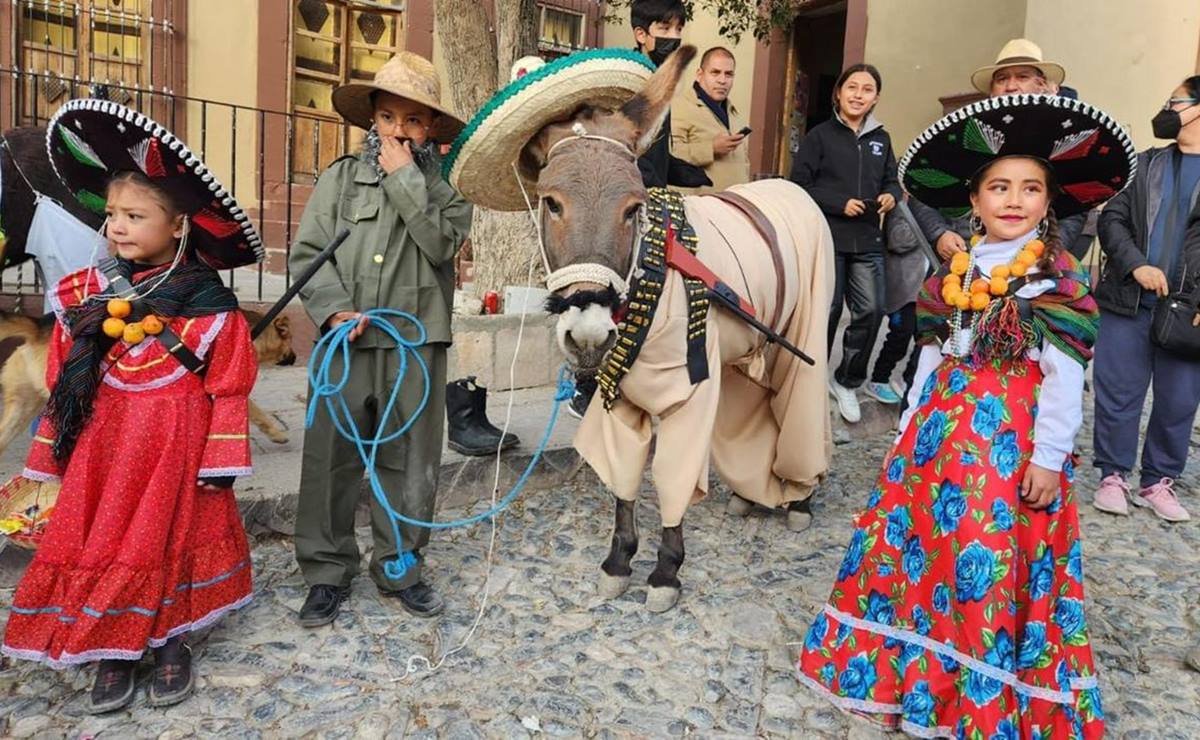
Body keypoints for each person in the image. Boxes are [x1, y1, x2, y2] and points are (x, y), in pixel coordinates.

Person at [796, 94, 1134, 738]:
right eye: (999, 187)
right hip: (938, 445)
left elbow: (1065, 378)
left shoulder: (1054, 278)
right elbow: (928, 358)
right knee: (921, 551)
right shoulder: (954, 272)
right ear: (973, 201)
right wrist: (906, 429)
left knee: (986, 559)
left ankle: (980, 687)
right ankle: (906, 674)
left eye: (1030, 189)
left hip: (1009, 451)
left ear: (1048, 201)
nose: (1014, 200)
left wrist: (1048, 456)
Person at [2, 99, 263, 712]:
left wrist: (221, 455)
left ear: (177, 227)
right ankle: (112, 649)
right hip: (106, 448)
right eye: (113, 213)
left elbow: (228, 382)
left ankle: (172, 643)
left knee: (172, 540)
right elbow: (66, 378)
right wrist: (50, 456)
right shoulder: (85, 295)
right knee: (111, 543)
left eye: (135, 215)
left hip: (177, 449)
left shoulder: (209, 305)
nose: (117, 225)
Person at [290, 51, 473, 627]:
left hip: (414, 344)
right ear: (372, 118)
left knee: (408, 458)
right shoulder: (340, 178)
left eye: (414, 120)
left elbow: (443, 246)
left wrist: (407, 183)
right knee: (330, 459)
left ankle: (399, 566)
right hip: (345, 342)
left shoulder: (448, 189)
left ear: (430, 130)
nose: (399, 130)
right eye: (390, 116)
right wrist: (332, 310)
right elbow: (308, 255)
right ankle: (326, 572)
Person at [569, 0, 710, 419]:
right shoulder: (622, 84)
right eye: (664, 27)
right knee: (602, 289)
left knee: (640, 295)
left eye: (679, 27)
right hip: (617, 208)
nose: (673, 35)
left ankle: (630, 373)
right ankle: (586, 383)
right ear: (641, 33)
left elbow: (655, 154)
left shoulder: (661, 82)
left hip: (652, 202)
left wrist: (689, 172)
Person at [1091, 76, 1200, 523]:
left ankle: (1158, 481)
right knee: (1118, 390)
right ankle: (1112, 476)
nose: (1167, 107)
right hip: (1128, 300)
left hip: (1189, 309)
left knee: (1179, 400)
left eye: (1176, 100)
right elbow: (1111, 219)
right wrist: (1136, 263)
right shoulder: (1143, 163)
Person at [790, 63, 901, 423]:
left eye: (867, 89)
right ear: (838, 92)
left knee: (872, 310)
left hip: (868, 238)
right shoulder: (819, 136)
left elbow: (892, 181)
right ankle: (812, 375)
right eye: (851, 87)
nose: (858, 94)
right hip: (828, 237)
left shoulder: (881, 139)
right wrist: (838, 203)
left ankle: (847, 380)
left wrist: (890, 195)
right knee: (828, 310)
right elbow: (798, 184)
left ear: (876, 98)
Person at [909, 39, 1086, 262]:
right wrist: (939, 233)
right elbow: (922, 186)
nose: (1011, 86)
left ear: (1041, 85)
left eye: (1022, 77)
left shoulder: (1064, 138)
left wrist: (1048, 250)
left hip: (1037, 265)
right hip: (965, 260)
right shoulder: (965, 134)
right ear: (992, 91)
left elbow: (1077, 204)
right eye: (1002, 79)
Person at [864, 198, 931, 407]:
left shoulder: (933, 210)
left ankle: (907, 378)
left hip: (927, 287)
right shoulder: (902, 207)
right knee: (900, 334)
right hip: (904, 287)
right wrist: (928, 227)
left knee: (925, 336)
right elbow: (897, 240)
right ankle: (878, 379)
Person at [670, 46, 751, 194]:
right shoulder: (679, 107)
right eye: (715, 73)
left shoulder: (733, 112)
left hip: (735, 206)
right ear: (700, 74)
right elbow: (670, 157)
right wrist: (711, 148)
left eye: (729, 74)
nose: (722, 80)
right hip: (699, 209)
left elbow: (743, 163)